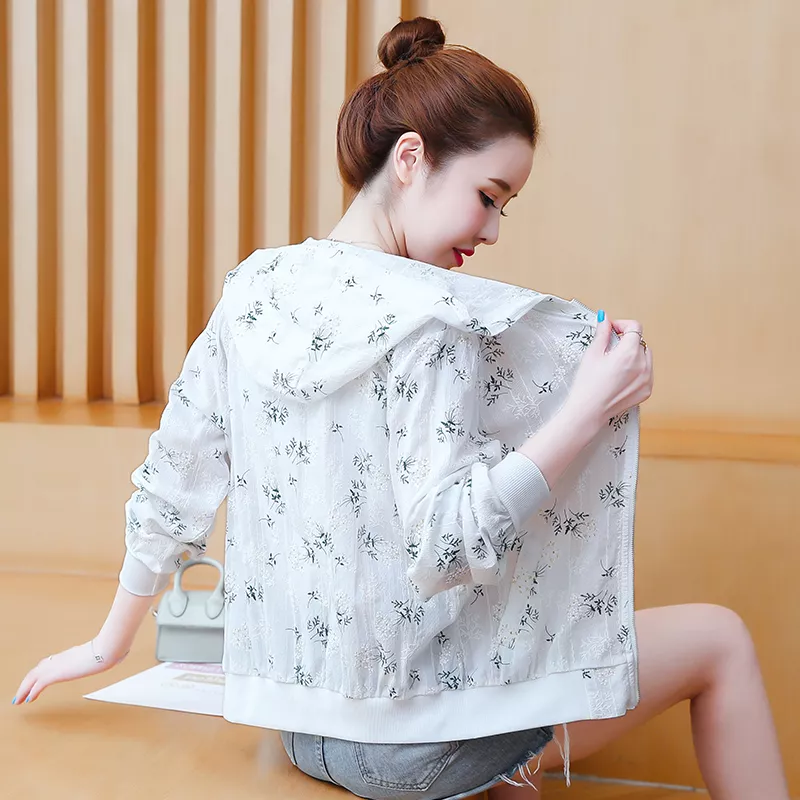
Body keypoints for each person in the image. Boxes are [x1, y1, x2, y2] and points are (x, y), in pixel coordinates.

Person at [13, 16, 789, 800]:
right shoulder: (435, 321)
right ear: (411, 158)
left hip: (302, 730)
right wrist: (588, 410)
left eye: (505, 208)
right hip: (413, 746)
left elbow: (175, 479)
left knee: (509, 762)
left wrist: (108, 643)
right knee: (719, 639)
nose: (491, 231)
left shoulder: (254, 289)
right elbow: (448, 541)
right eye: (488, 197)